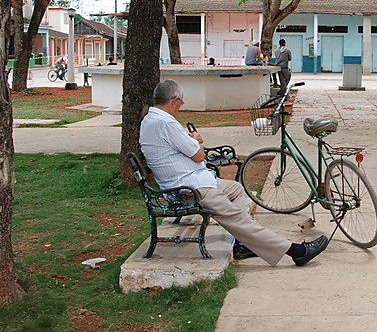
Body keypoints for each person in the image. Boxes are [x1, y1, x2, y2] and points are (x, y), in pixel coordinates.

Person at [140, 80, 328, 266]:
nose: (180, 107)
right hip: (190, 189)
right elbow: (198, 155)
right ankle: (296, 252)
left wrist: (192, 142)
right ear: (174, 100)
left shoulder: (151, 120)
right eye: (181, 103)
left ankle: (242, 243)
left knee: (236, 190)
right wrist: (196, 139)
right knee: (236, 217)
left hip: (189, 182)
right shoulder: (166, 123)